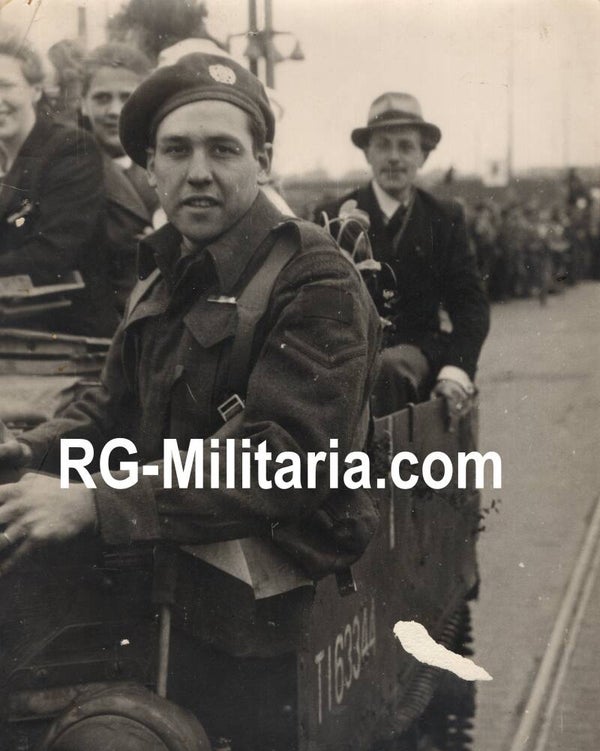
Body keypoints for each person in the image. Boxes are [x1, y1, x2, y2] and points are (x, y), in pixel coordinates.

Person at [0, 52, 380, 614]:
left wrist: (96, 503)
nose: (197, 171)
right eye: (177, 150)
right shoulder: (161, 274)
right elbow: (109, 411)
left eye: (223, 149)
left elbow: (287, 462)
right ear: (152, 169)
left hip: (265, 597)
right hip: (164, 561)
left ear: (263, 161)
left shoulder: (313, 277)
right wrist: (26, 450)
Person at [316, 92, 490, 420]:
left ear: (424, 156)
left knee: (389, 370)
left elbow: (470, 306)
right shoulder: (333, 216)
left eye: (406, 147)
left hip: (418, 356)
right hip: (345, 358)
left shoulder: (444, 217)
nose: (394, 157)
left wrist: (456, 371)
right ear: (367, 153)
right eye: (383, 145)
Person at [0, 28, 118, 337]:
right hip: (14, 330)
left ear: (36, 90)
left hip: (70, 337)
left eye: (5, 86)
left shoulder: (70, 149)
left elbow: (54, 253)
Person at [81, 43, 157, 313]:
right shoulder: (69, 170)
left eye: (126, 97)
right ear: (83, 103)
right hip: (101, 322)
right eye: (102, 98)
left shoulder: (166, 166)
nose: (114, 110)